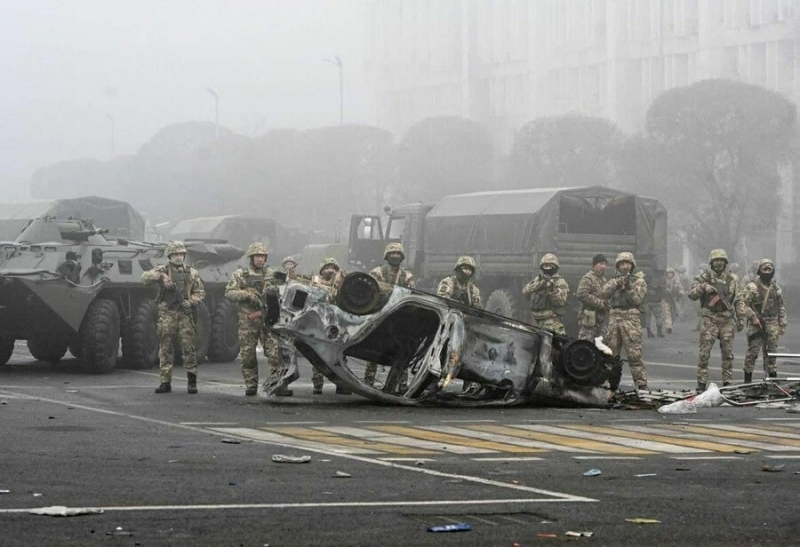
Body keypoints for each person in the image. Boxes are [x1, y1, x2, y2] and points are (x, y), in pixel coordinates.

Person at [224, 242, 292, 397]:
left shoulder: (272, 273)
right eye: (257, 256)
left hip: (268, 319)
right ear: (251, 257)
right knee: (248, 355)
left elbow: (288, 286)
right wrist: (247, 295)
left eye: (262, 256)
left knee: (275, 353)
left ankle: (279, 384)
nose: (260, 259)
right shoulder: (241, 275)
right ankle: (251, 384)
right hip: (249, 320)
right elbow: (229, 293)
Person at [142, 241, 205, 394]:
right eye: (175, 254)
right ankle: (165, 381)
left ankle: (191, 381)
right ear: (169, 256)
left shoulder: (191, 272)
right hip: (168, 313)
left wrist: (191, 302)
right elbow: (145, 278)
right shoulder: (163, 269)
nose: (178, 257)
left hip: (185, 314)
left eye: (181, 254)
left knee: (188, 347)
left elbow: (200, 292)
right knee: (165, 348)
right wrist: (162, 276)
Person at [687, 249, 750, 392]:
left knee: (727, 354)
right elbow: (691, 294)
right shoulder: (703, 278)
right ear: (711, 262)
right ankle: (701, 383)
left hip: (726, 319)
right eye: (716, 260)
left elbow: (739, 299)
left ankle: (727, 382)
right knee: (704, 353)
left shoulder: (732, 279)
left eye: (722, 260)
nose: (719, 263)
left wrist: (740, 318)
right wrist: (703, 288)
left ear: (725, 262)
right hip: (709, 318)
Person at [364, 243, 416, 389]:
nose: (395, 256)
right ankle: (369, 380)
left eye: (398, 254)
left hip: (400, 319)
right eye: (392, 253)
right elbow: (370, 291)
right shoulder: (377, 272)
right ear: (387, 256)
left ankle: (402, 384)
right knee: (374, 350)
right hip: (380, 316)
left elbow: (412, 296)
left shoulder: (407, 276)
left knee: (403, 350)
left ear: (402, 257)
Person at [600, 252, 648, 391]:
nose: (624, 266)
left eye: (627, 263)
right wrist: (616, 283)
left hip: (631, 317)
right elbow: (603, 293)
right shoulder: (613, 280)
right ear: (618, 266)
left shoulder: (639, 281)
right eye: (622, 264)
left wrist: (628, 287)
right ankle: (610, 383)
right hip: (614, 317)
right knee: (611, 353)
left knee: (634, 353)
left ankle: (641, 384)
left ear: (632, 265)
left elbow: (637, 300)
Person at [437, 256, 483, 393]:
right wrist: (457, 305)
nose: (466, 272)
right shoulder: (448, 282)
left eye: (469, 269)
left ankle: (468, 384)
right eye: (464, 268)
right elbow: (441, 299)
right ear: (458, 269)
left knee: (467, 354)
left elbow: (478, 308)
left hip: (464, 327)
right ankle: (437, 380)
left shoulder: (473, 290)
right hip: (447, 324)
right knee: (443, 353)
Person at [742, 259, 787, 383]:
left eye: (769, 269)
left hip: (772, 323)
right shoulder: (752, 287)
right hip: (756, 324)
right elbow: (742, 305)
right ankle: (747, 382)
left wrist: (782, 324)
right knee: (752, 353)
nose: (767, 272)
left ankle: (773, 382)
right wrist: (754, 317)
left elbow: (781, 306)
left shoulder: (776, 288)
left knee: (771, 354)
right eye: (764, 269)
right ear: (759, 271)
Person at [314, 257, 350, 395]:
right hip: (321, 323)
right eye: (327, 268)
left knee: (340, 356)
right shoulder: (315, 283)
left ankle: (342, 385)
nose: (330, 270)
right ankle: (317, 385)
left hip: (338, 324)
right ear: (322, 270)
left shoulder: (342, 283)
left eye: (333, 268)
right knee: (318, 353)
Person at [522, 253, 569, 334]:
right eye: (545, 266)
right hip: (535, 322)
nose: (547, 268)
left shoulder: (560, 282)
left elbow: (561, 300)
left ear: (555, 267)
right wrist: (540, 285)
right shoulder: (538, 280)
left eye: (550, 266)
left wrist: (551, 290)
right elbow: (525, 290)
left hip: (551, 322)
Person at [575, 253, 609, 341]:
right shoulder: (587, 279)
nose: (604, 266)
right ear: (594, 265)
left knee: (600, 346)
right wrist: (600, 303)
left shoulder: (603, 280)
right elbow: (581, 294)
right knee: (586, 345)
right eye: (601, 263)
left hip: (601, 320)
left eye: (605, 264)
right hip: (589, 320)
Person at [642, 273, 666, 338]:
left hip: (648, 302)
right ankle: (659, 332)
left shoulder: (644, 281)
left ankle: (649, 332)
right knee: (659, 317)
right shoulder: (659, 280)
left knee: (647, 318)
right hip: (657, 302)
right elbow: (663, 290)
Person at [663, 267, 684, 332]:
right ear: (667, 274)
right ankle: (669, 326)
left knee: (673, 314)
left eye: (671, 273)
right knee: (667, 313)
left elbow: (681, 288)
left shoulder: (676, 282)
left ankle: (671, 324)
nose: (670, 275)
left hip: (674, 300)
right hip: (666, 299)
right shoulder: (664, 281)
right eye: (669, 273)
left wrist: (680, 293)